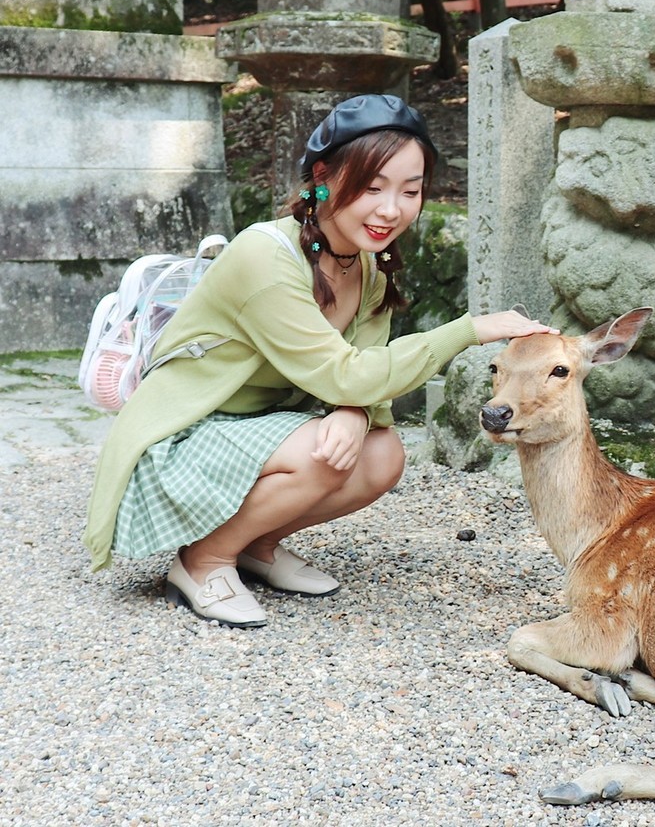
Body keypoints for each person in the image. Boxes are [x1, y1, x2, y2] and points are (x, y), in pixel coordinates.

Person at [83, 93, 556, 628]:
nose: (390, 209)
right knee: (322, 453)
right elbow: (345, 374)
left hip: (261, 428)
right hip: (185, 435)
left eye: (410, 191)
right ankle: (203, 560)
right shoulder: (265, 256)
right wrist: (469, 330)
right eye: (372, 187)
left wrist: (354, 412)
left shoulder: (369, 261)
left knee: (382, 455)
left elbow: (364, 362)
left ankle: (257, 544)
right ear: (323, 177)